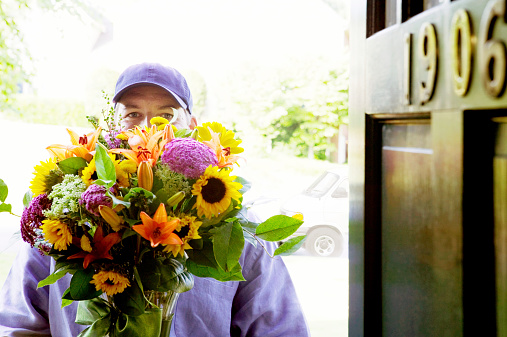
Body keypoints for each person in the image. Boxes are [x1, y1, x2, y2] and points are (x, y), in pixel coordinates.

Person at [0, 63, 310, 336]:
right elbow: (18, 326)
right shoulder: (59, 225)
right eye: (132, 115)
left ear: (193, 127)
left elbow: (280, 329)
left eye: (166, 115)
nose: (148, 129)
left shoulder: (236, 230)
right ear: (109, 128)